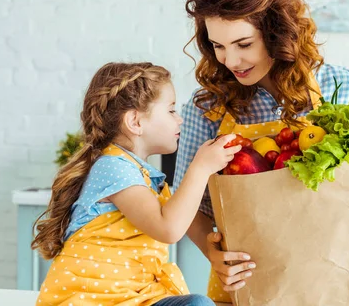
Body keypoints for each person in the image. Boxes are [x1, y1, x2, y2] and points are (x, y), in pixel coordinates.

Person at [173, 0, 349, 303]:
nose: (231, 60)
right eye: (218, 46)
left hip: (335, 287)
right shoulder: (207, 108)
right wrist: (214, 254)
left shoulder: (340, 87)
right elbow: (187, 209)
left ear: (277, 32)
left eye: (243, 44)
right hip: (248, 290)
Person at [31, 62, 241, 306]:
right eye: (171, 110)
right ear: (135, 122)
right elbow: (169, 229)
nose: (180, 120)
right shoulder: (113, 167)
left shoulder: (137, 173)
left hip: (135, 299)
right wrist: (201, 167)